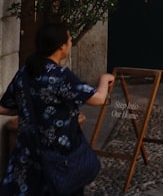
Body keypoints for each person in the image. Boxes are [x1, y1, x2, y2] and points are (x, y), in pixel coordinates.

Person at [0, 23, 114, 196]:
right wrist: (104, 79)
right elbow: (98, 98)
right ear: (61, 46)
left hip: (27, 153)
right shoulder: (61, 76)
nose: (70, 43)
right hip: (59, 155)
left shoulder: (23, 73)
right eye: (69, 40)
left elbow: (5, 108)